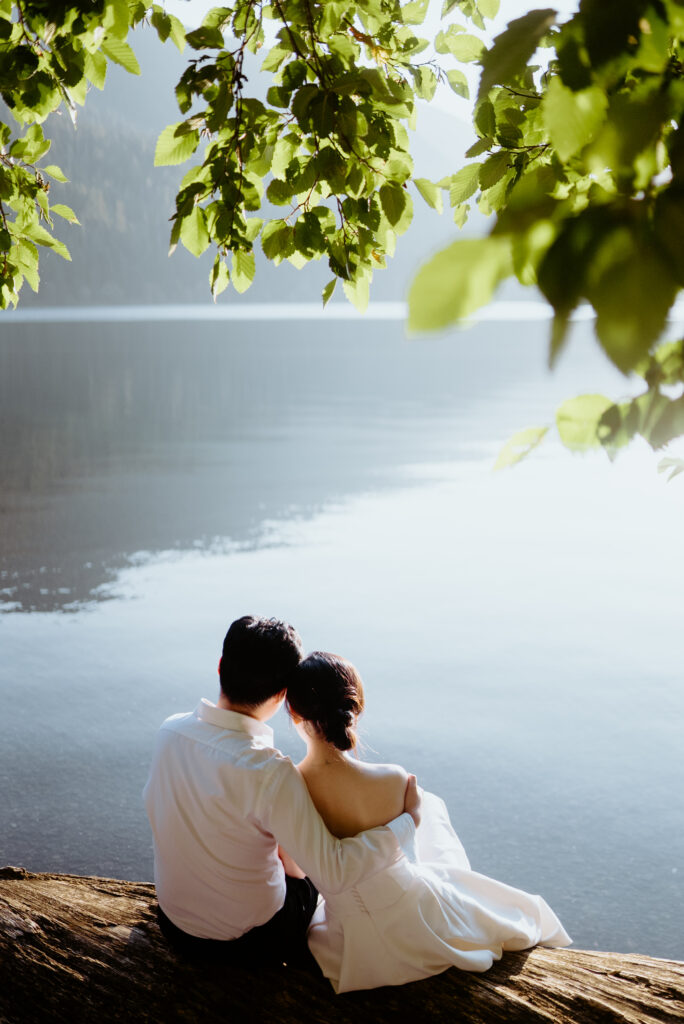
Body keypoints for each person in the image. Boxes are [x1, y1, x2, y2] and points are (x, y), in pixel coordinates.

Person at [142, 615, 421, 968]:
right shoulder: (271, 772)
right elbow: (333, 872)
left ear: (220, 666)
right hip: (246, 944)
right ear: (282, 694)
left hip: (173, 924)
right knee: (309, 878)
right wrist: (406, 824)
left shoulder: (170, 731)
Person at [285, 651, 572, 993]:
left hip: (346, 943)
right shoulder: (393, 779)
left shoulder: (290, 787)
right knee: (432, 811)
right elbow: (409, 847)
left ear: (294, 714)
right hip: (415, 920)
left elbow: (297, 871)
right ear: (355, 709)